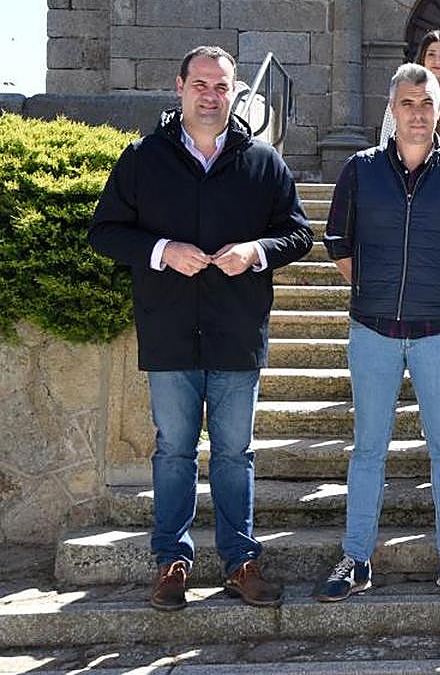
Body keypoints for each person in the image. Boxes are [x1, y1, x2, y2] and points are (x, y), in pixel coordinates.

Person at [88, 45, 313, 611]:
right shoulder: (143, 158)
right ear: (180, 87)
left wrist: (257, 250)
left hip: (237, 331)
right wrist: (163, 250)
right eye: (201, 85)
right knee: (174, 452)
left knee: (236, 454)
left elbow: (299, 234)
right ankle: (172, 562)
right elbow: (106, 233)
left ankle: (241, 563)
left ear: (236, 92)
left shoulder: (262, 161)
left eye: (222, 87)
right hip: (169, 332)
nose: (211, 96)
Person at [316, 63, 440, 603]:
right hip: (373, 331)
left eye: (428, 104)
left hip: (438, 332)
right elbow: (338, 241)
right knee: (368, 447)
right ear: (392, 109)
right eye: (408, 104)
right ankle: (355, 556)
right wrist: (373, 290)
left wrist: (438, 296)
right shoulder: (360, 170)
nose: (418, 114)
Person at [380, 29, 440, 145]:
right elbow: (387, 135)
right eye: (431, 54)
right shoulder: (403, 92)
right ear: (423, 58)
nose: (437, 61)